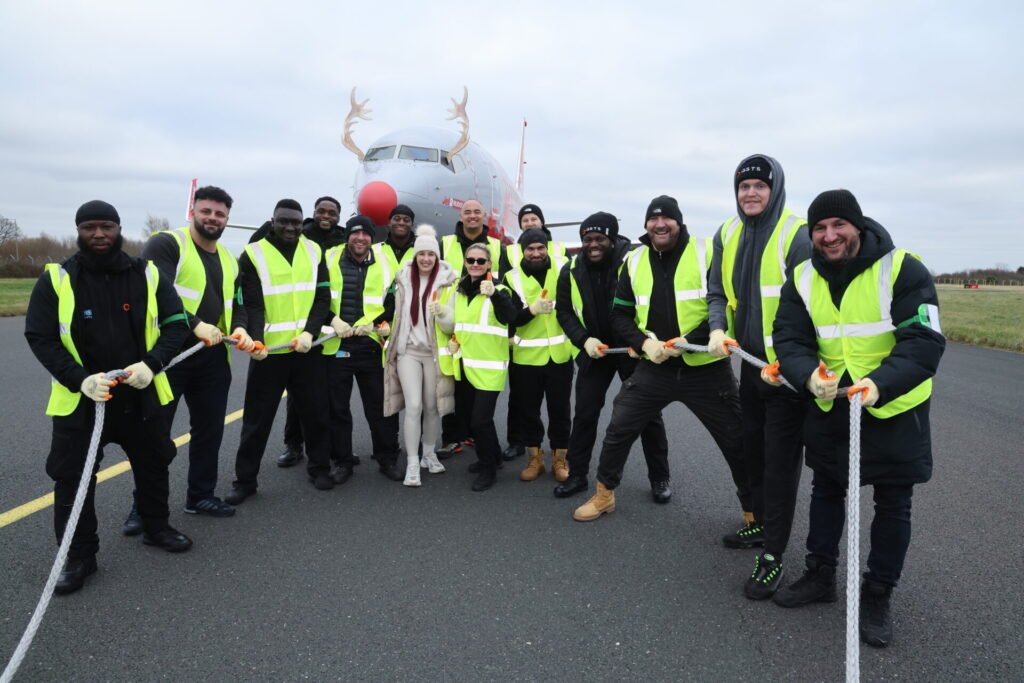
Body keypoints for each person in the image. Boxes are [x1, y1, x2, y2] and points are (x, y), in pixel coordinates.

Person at [770, 189, 944, 648]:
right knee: (826, 489)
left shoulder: (903, 267)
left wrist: (881, 383)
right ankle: (820, 575)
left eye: (838, 226)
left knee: (893, 504)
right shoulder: (802, 277)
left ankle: (877, 592)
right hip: (831, 404)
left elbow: (923, 341)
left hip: (893, 406)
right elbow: (787, 337)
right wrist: (808, 376)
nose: (829, 236)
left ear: (858, 226)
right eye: (820, 229)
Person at [25, 200, 194, 594]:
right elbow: (40, 336)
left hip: (140, 395)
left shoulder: (147, 274)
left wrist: (152, 364)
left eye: (106, 227)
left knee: (154, 464)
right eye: (89, 228)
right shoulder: (58, 278)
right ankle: (79, 555)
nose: (98, 234)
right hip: (83, 401)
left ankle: (156, 527)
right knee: (73, 479)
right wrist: (79, 380)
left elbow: (176, 324)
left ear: (119, 229)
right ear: (78, 231)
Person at [573, 196, 748, 523]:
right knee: (619, 427)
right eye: (653, 220)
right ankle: (604, 495)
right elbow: (620, 315)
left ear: (679, 222)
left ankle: (754, 512)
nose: (659, 224)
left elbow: (724, 304)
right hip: (656, 365)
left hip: (705, 369)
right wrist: (643, 343)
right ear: (646, 226)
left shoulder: (706, 252)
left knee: (736, 438)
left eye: (667, 218)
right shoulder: (634, 261)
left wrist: (692, 340)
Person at [705, 155, 811, 599]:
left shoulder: (797, 233)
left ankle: (774, 556)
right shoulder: (727, 232)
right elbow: (716, 290)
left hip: (785, 378)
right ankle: (763, 527)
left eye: (759, 186)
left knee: (780, 467)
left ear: (776, 189)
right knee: (753, 454)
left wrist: (791, 364)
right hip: (749, 368)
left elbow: (812, 309)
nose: (750, 193)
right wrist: (716, 327)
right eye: (743, 186)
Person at [124, 185, 253, 532]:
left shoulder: (228, 258)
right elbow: (155, 288)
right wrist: (194, 324)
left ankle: (201, 495)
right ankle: (143, 507)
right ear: (193, 210)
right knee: (155, 437)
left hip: (212, 360)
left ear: (227, 219)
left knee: (209, 431)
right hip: (168, 358)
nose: (213, 218)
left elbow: (238, 303)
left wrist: (240, 329)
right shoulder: (167, 244)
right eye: (206, 211)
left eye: (220, 214)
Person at [554, 212, 670, 499]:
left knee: (648, 416)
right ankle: (577, 474)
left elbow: (650, 303)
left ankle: (660, 478)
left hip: (631, 351)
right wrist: (584, 341)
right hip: (595, 351)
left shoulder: (632, 263)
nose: (593, 244)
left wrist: (639, 341)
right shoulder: (570, 270)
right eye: (587, 239)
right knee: (585, 414)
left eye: (599, 239)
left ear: (612, 239)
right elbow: (564, 312)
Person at [226, 199, 335, 503]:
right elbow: (250, 302)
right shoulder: (253, 254)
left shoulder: (314, 251)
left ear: (303, 223)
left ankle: (319, 468)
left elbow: (322, 298)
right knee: (256, 421)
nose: (290, 227)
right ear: (272, 221)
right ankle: (245, 481)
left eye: (296, 223)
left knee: (315, 414)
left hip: (305, 350)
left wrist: (310, 333)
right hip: (269, 353)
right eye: (284, 221)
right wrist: (255, 340)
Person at [323, 215, 403, 483]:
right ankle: (342, 461)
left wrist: (380, 322)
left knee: (381, 408)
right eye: (355, 233)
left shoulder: (385, 261)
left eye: (366, 234)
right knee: (337, 409)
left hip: (371, 346)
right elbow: (315, 295)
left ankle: (387, 458)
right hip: (337, 345)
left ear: (372, 238)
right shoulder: (329, 258)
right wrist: (331, 320)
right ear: (348, 236)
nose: (360, 238)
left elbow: (394, 299)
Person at [435, 243, 518, 490]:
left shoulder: (500, 289)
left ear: (490, 264)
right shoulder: (459, 291)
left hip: (490, 367)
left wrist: (495, 295)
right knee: (472, 420)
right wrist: (453, 340)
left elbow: (510, 318)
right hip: (466, 365)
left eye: (481, 261)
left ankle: (488, 467)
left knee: (481, 421)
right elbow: (460, 324)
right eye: (471, 260)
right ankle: (494, 456)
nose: (475, 264)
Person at [274, 196, 346, 468]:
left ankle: (328, 448)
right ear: (313, 213)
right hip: (303, 328)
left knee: (328, 395)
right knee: (296, 396)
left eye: (332, 212)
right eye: (321, 211)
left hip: (337, 326)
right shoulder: (299, 235)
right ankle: (293, 445)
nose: (326, 216)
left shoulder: (343, 239)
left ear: (339, 216)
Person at [383, 225, 458, 485]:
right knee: (413, 407)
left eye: (431, 255)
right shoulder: (402, 279)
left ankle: (429, 454)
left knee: (432, 407)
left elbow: (452, 325)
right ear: (415, 256)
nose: (426, 259)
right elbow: (390, 310)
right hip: (408, 352)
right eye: (421, 254)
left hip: (435, 354)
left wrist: (445, 314)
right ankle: (413, 462)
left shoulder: (449, 282)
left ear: (437, 257)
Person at [436, 199, 509, 459]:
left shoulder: (498, 247)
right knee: (452, 388)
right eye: (467, 212)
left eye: (477, 212)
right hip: (451, 316)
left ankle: (480, 440)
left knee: (478, 403)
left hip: (484, 321)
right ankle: (451, 437)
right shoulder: (445, 243)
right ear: (461, 215)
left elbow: (507, 281)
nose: (472, 216)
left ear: (484, 215)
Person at [501, 227, 574, 482]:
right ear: (522, 251)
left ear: (547, 248)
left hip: (560, 354)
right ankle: (535, 458)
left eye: (540, 248)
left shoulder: (564, 268)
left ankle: (560, 458)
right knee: (528, 411)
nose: (536, 253)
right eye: (530, 248)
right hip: (526, 357)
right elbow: (510, 317)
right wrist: (531, 310)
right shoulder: (511, 278)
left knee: (560, 410)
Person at [379, 204, 417, 276]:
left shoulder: (422, 251)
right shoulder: (375, 251)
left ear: (412, 225)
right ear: (389, 222)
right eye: (397, 219)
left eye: (406, 220)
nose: (401, 223)